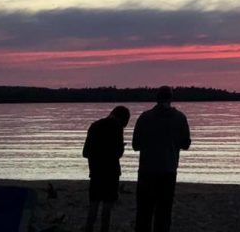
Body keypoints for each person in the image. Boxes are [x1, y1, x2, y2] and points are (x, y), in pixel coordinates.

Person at [132, 86, 191, 232]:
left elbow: (135, 145)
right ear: (170, 98)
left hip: (147, 170)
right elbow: (186, 144)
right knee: (164, 210)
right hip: (168, 170)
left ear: (157, 98)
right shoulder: (180, 118)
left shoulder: (144, 117)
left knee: (144, 211)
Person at [82, 105, 130, 232]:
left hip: (96, 171)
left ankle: (89, 228)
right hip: (111, 172)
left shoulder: (95, 126)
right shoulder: (117, 128)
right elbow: (117, 154)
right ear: (122, 119)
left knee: (93, 204)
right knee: (107, 206)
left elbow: (85, 152)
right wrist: (121, 147)